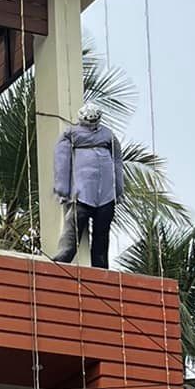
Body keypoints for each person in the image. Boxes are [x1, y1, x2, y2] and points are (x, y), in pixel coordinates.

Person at [52, 99, 125, 269]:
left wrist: (119, 190)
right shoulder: (70, 134)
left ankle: (100, 269)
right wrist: (62, 189)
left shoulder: (108, 136)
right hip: (81, 193)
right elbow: (62, 161)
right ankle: (61, 261)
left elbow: (117, 163)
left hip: (106, 195)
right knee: (72, 232)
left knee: (102, 236)